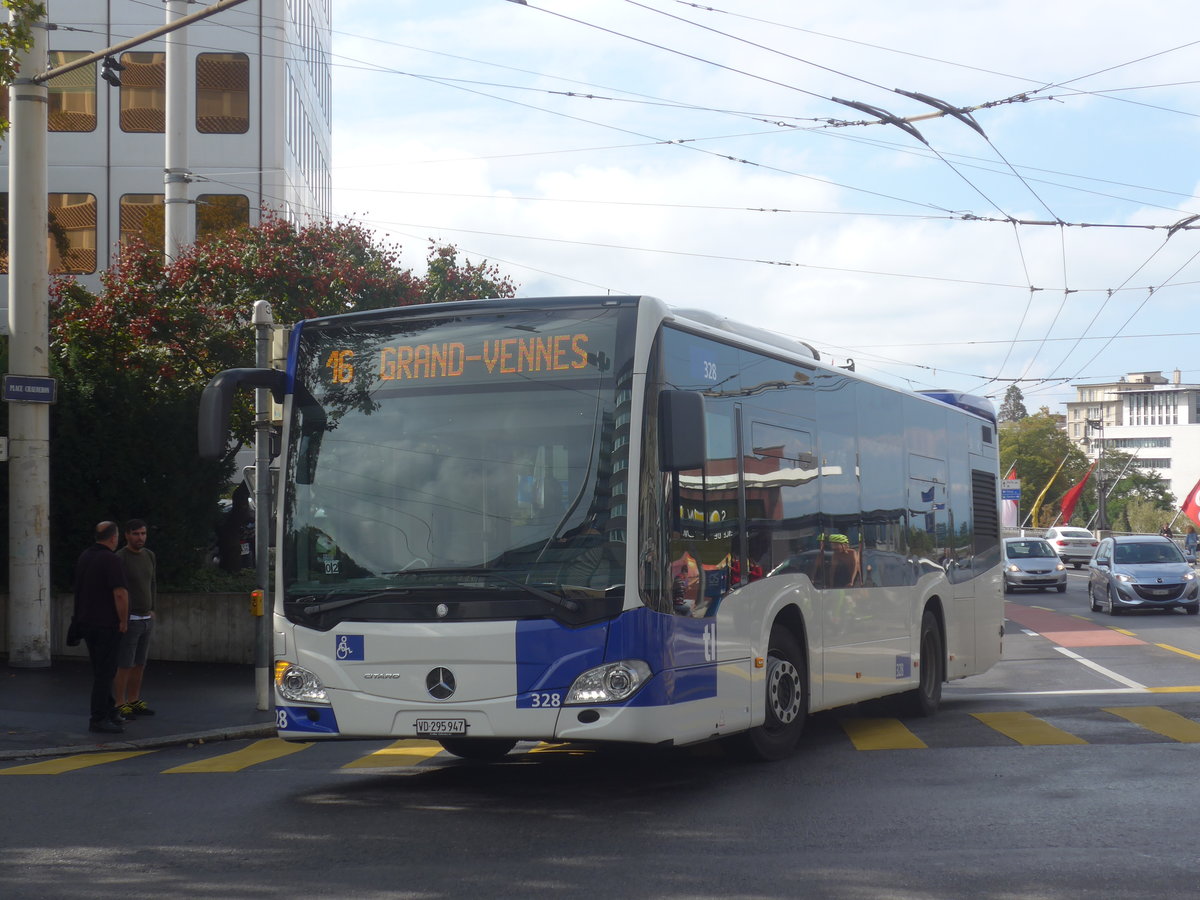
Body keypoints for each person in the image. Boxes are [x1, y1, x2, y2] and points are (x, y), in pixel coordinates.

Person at [73, 521, 129, 734]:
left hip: (87, 622)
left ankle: (109, 710)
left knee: (100, 670)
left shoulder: (85, 556)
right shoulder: (111, 560)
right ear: (114, 537)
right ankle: (99, 717)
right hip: (107, 624)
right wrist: (123, 621)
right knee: (106, 672)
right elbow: (120, 593)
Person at [114, 518, 157, 719]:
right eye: (136, 534)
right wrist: (121, 617)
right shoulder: (120, 558)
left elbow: (152, 584)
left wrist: (153, 608)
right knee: (125, 663)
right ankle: (119, 702)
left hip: (146, 617)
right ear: (127, 535)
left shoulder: (149, 555)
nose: (140, 537)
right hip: (130, 617)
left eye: (143, 533)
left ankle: (134, 699)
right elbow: (116, 590)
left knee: (140, 662)